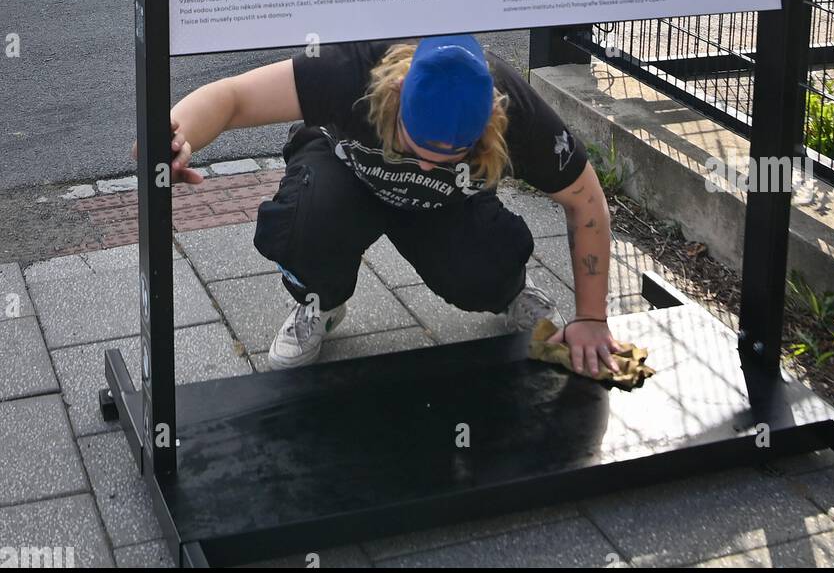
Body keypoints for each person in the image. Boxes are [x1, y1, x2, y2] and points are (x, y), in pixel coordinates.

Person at [160, 35, 626, 379]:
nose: (424, 167)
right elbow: (233, 97)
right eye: (418, 148)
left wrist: (591, 319)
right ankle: (320, 304)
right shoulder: (349, 68)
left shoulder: (516, 112)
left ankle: (507, 291)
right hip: (348, 177)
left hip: (444, 205)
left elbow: (586, 202)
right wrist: (178, 136)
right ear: (398, 91)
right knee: (302, 225)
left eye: (445, 157)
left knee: (484, 269)